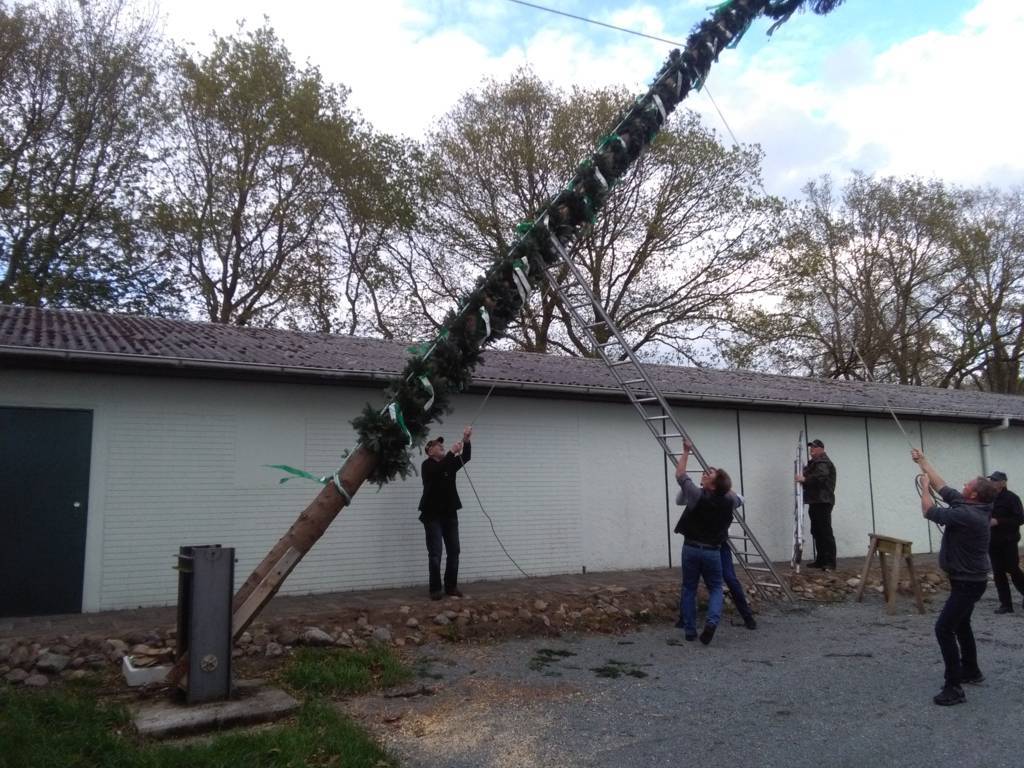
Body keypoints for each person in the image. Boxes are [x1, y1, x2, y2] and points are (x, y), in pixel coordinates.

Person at [911, 448, 997, 706]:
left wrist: (924, 487)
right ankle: (971, 669)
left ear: (973, 494)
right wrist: (923, 461)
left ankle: (954, 687)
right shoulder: (971, 503)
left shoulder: (967, 514)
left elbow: (928, 510)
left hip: (968, 583)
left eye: (967, 484)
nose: (962, 485)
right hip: (969, 580)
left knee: (944, 628)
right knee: (961, 624)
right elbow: (943, 486)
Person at [673, 440, 740, 645]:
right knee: (716, 588)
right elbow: (735, 497)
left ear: (712, 484)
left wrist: (686, 452)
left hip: (691, 548)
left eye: (710, 474)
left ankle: (690, 631)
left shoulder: (696, 495)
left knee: (689, 588)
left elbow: (680, 475)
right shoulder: (730, 500)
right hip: (712, 551)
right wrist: (720, 484)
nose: (705, 473)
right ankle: (711, 623)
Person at [418, 426, 473, 600]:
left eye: (442, 444)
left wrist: (466, 440)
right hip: (432, 515)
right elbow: (437, 471)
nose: (441, 445)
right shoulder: (427, 466)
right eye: (436, 444)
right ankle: (435, 589)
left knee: (454, 551)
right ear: (429, 451)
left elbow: (466, 457)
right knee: (436, 553)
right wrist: (450, 452)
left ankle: (451, 587)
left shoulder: (449, 462)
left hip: (450, 514)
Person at [796, 439, 838, 570]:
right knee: (816, 531)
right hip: (816, 501)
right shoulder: (815, 463)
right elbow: (808, 472)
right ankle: (821, 560)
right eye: (810, 447)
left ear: (821, 449)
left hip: (823, 501)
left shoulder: (823, 462)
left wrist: (804, 479)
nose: (811, 450)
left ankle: (830, 562)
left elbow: (820, 477)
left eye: (814, 447)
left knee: (825, 531)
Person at [987, 470, 1024, 614]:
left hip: (1008, 541)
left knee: (1013, 569)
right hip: (993, 541)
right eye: (991, 480)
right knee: (998, 572)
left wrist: (998, 521)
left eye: (994, 480)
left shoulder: (1011, 498)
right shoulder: (989, 498)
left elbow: (1020, 519)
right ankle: (1006, 604)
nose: (991, 483)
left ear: (1002, 483)